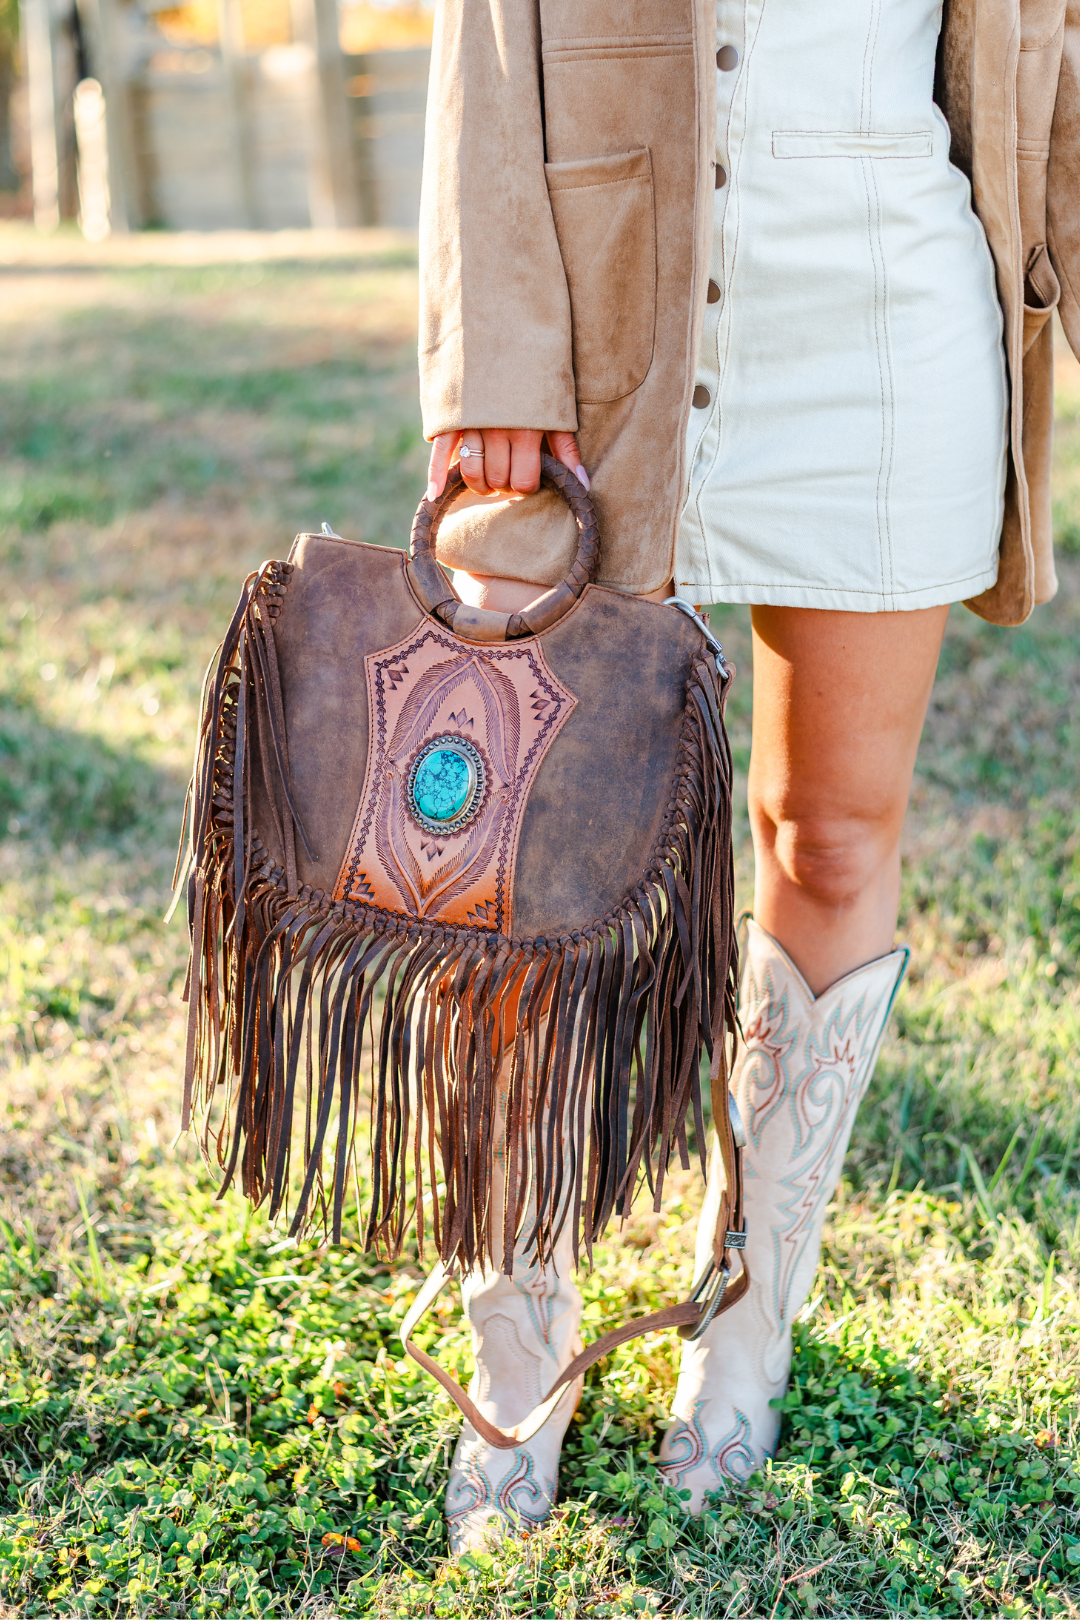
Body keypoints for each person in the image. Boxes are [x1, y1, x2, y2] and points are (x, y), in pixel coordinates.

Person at [417, 0, 1080, 1550]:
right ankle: (519, 1327)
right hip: (598, 298)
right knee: (524, 846)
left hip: (894, 309)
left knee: (831, 836)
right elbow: (486, 39)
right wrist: (492, 344)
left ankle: (746, 1310)